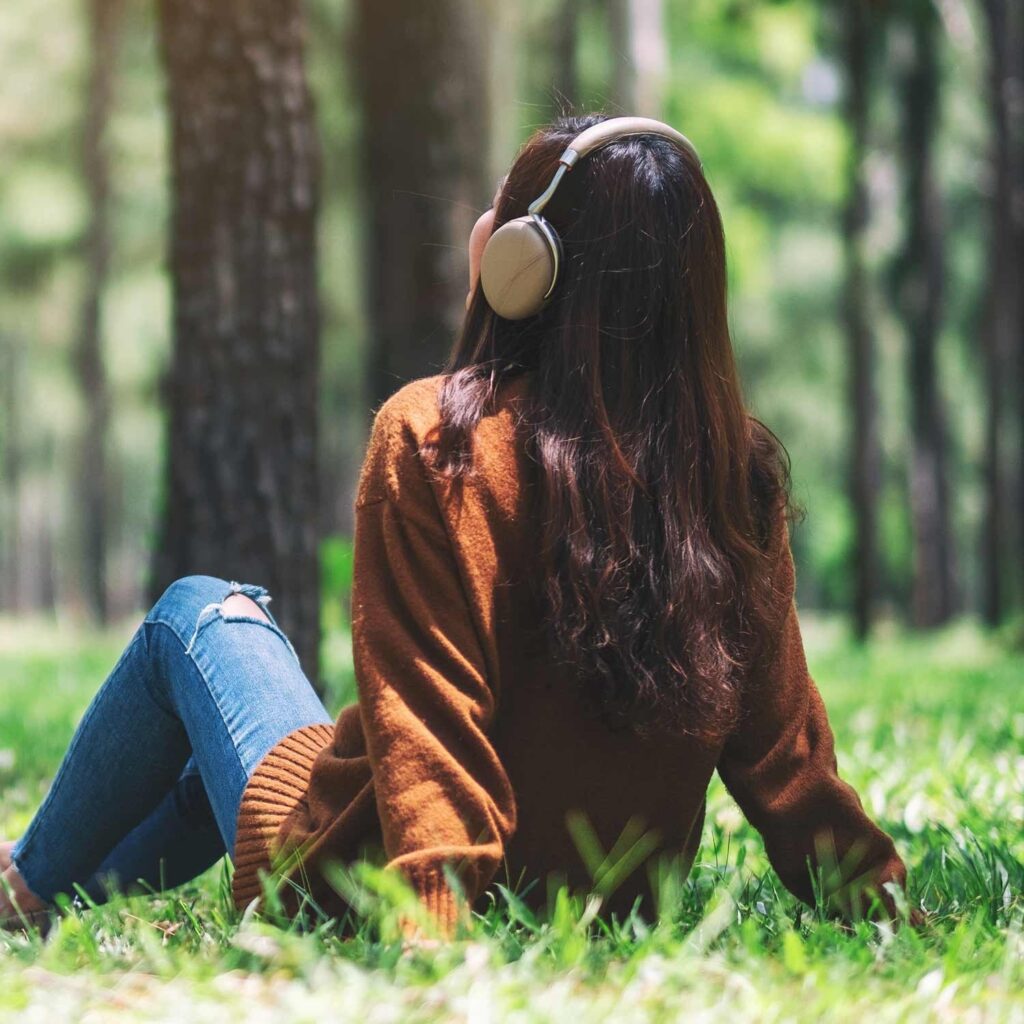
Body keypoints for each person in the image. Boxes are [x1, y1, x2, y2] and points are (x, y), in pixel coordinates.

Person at [0, 115, 910, 938]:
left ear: (521, 262)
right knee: (207, 778)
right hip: (606, 904)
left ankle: (25, 883)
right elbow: (787, 761)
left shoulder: (438, 442)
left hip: (355, 886)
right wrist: (887, 906)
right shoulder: (727, 473)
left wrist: (434, 946)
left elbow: (434, 727)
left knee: (197, 616)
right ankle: (35, 904)